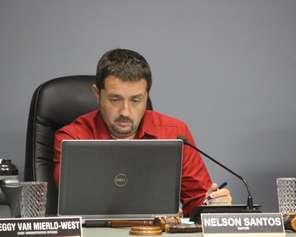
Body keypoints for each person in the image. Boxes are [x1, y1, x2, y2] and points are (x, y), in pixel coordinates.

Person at [53, 48, 232, 217]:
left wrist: (212, 205)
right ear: (97, 94)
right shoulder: (72, 138)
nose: (125, 111)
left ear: (147, 95)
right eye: (115, 99)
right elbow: (77, 201)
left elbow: (197, 202)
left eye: (136, 100)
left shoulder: (176, 133)